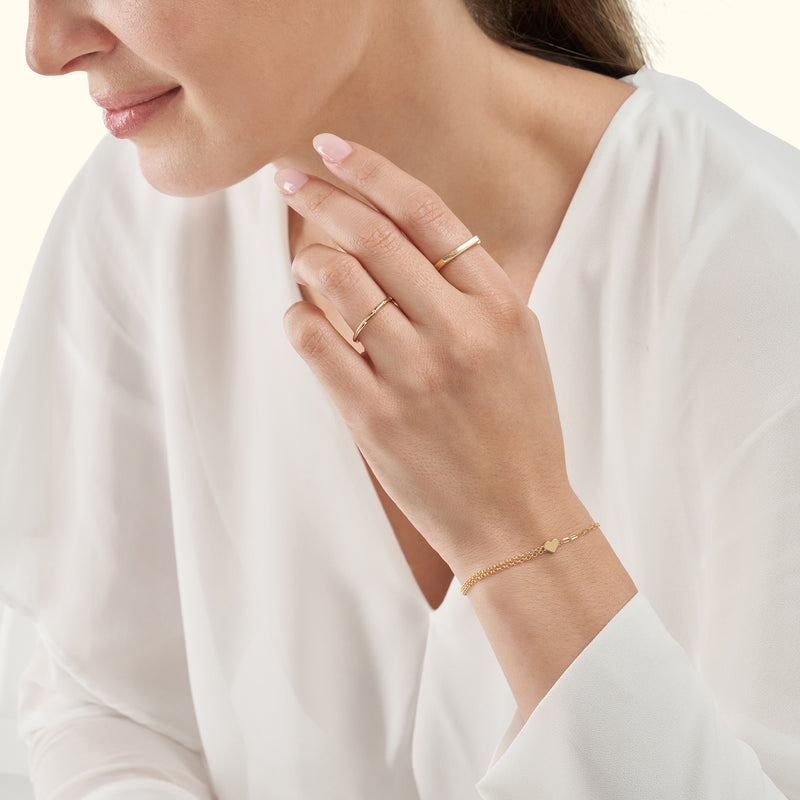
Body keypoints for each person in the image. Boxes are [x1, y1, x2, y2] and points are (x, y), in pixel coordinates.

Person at [1, 0, 798, 797]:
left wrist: (516, 528)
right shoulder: (144, 213)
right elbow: (103, 702)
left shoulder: (761, 268)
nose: (45, 48)